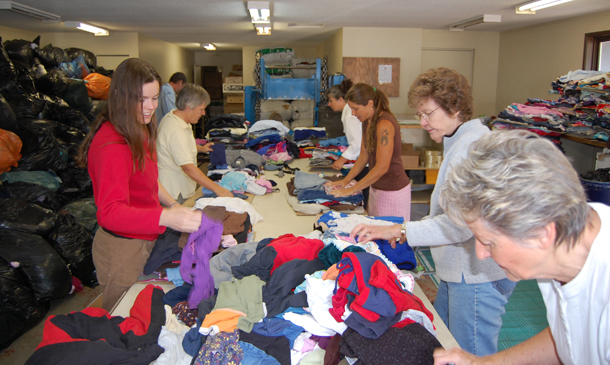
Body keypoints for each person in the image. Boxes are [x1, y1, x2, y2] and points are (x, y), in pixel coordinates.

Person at [350, 68, 515, 356]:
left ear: (455, 107)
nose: (423, 123)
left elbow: (460, 224)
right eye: (420, 115)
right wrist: (404, 233)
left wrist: (399, 230)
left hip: (476, 277)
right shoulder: (459, 142)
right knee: (440, 343)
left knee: (470, 356)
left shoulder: (471, 147)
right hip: (459, 271)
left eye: (428, 114)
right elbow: (448, 213)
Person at [432, 129, 609, 365]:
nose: (480, 254)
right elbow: (569, 335)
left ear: (542, 234)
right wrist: (484, 362)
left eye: (489, 242)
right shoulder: (564, 246)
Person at [77, 58, 202, 312]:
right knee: (122, 320)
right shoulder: (112, 145)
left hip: (143, 239)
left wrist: (174, 205)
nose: (150, 107)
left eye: (154, 98)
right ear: (122, 96)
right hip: (122, 249)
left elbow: (148, 179)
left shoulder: (137, 128)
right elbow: (110, 213)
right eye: (141, 99)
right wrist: (167, 217)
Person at [327, 83, 411, 222]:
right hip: (376, 188)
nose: (353, 113)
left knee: (391, 239)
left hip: (393, 191)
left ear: (370, 104)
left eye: (356, 109)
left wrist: (352, 189)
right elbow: (364, 155)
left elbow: (382, 167)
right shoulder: (368, 121)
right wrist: (345, 181)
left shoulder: (384, 124)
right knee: (375, 233)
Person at [157, 83, 233, 202]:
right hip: (175, 192)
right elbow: (188, 168)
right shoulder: (176, 130)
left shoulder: (175, 117)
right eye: (201, 109)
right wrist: (218, 189)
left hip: (179, 186)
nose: (203, 113)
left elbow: (177, 148)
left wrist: (200, 148)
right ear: (189, 107)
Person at [326, 79, 362, 171]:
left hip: (363, 161)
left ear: (341, 99)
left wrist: (341, 160)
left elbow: (357, 143)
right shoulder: (348, 112)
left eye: (331, 101)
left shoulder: (349, 115)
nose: (329, 104)